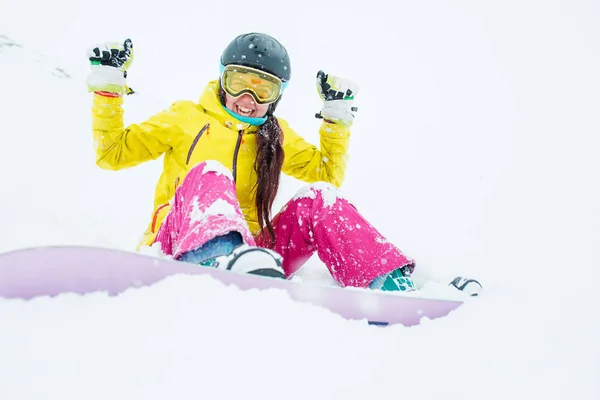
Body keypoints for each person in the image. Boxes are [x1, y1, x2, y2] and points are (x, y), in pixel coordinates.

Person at [86, 32, 419, 292]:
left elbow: (327, 173)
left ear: (278, 96)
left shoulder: (275, 135)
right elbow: (112, 153)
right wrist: (108, 87)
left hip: (254, 257)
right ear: (222, 80)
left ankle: (387, 285)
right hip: (178, 244)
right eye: (239, 83)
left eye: (264, 90)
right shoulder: (184, 117)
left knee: (319, 198)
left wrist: (336, 121)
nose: (248, 99)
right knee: (211, 173)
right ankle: (214, 258)